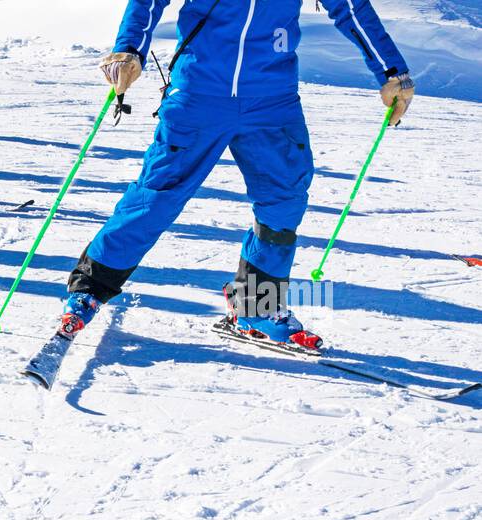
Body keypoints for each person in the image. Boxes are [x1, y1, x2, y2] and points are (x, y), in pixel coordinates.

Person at [57, 0, 414, 352]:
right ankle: (90, 289)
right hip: (199, 93)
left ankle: (257, 308)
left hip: (273, 100)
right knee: (157, 197)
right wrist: (129, 49)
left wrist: (391, 71)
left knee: (284, 202)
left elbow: (350, 7)